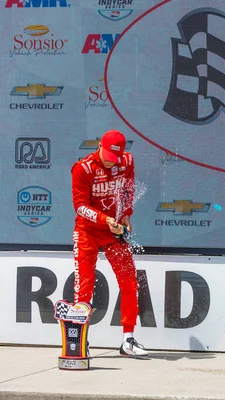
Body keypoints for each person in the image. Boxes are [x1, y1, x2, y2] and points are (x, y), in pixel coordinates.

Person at [71, 129, 148, 357]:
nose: (109, 162)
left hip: (113, 231)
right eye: (106, 156)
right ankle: (79, 341)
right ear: (99, 145)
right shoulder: (82, 168)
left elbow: (128, 188)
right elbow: (80, 207)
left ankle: (128, 341)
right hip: (87, 231)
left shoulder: (126, 161)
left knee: (129, 282)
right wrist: (105, 220)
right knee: (84, 287)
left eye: (114, 158)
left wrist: (126, 215)